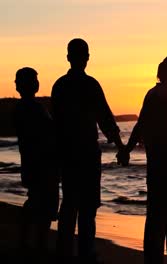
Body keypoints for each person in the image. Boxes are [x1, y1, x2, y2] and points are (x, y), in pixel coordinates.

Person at [118, 55, 167, 264]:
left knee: (155, 220)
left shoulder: (152, 93)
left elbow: (140, 124)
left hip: (156, 167)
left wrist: (126, 149)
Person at [51, 38, 125, 263]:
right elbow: (105, 118)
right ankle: (85, 251)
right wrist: (121, 146)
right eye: (84, 55)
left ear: (68, 57)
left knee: (71, 203)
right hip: (86, 153)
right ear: (86, 58)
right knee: (87, 205)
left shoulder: (60, 85)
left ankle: (65, 251)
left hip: (68, 152)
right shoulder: (90, 84)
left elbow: (56, 123)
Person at [14, 67, 59, 262]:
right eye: (34, 79)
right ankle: (38, 244)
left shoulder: (24, 108)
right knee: (44, 205)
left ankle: (29, 242)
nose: (37, 82)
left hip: (32, 163)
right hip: (42, 164)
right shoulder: (34, 108)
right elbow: (49, 133)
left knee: (35, 202)